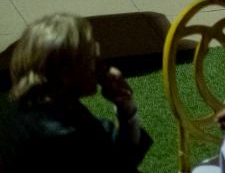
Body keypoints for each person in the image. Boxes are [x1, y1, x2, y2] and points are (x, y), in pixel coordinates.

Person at [3, 13, 150, 167]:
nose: (102, 68)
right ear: (66, 72)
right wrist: (127, 110)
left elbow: (116, 155)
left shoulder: (28, 109)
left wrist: (125, 108)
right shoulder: (67, 137)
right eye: (93, 60)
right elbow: (121, 162)